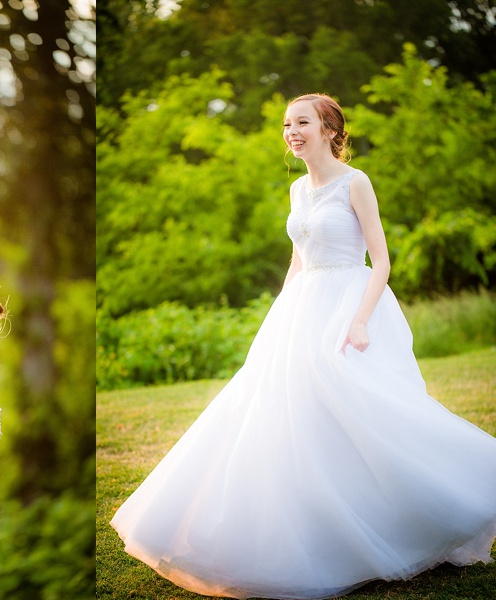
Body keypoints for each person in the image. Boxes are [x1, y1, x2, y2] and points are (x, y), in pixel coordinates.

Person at [110, 94, 496, 599]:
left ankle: (454, 493)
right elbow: (299, 261)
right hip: (302, 308)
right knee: (289, 416)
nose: (292, 131)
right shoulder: (296, 189)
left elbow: (380, 261)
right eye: (287, 124)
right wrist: (278, 318)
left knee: (366, 410)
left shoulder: (356, 183)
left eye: (303, 123)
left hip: (348, 305)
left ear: (330, 129)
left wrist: (359, 321)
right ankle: (318, 529)